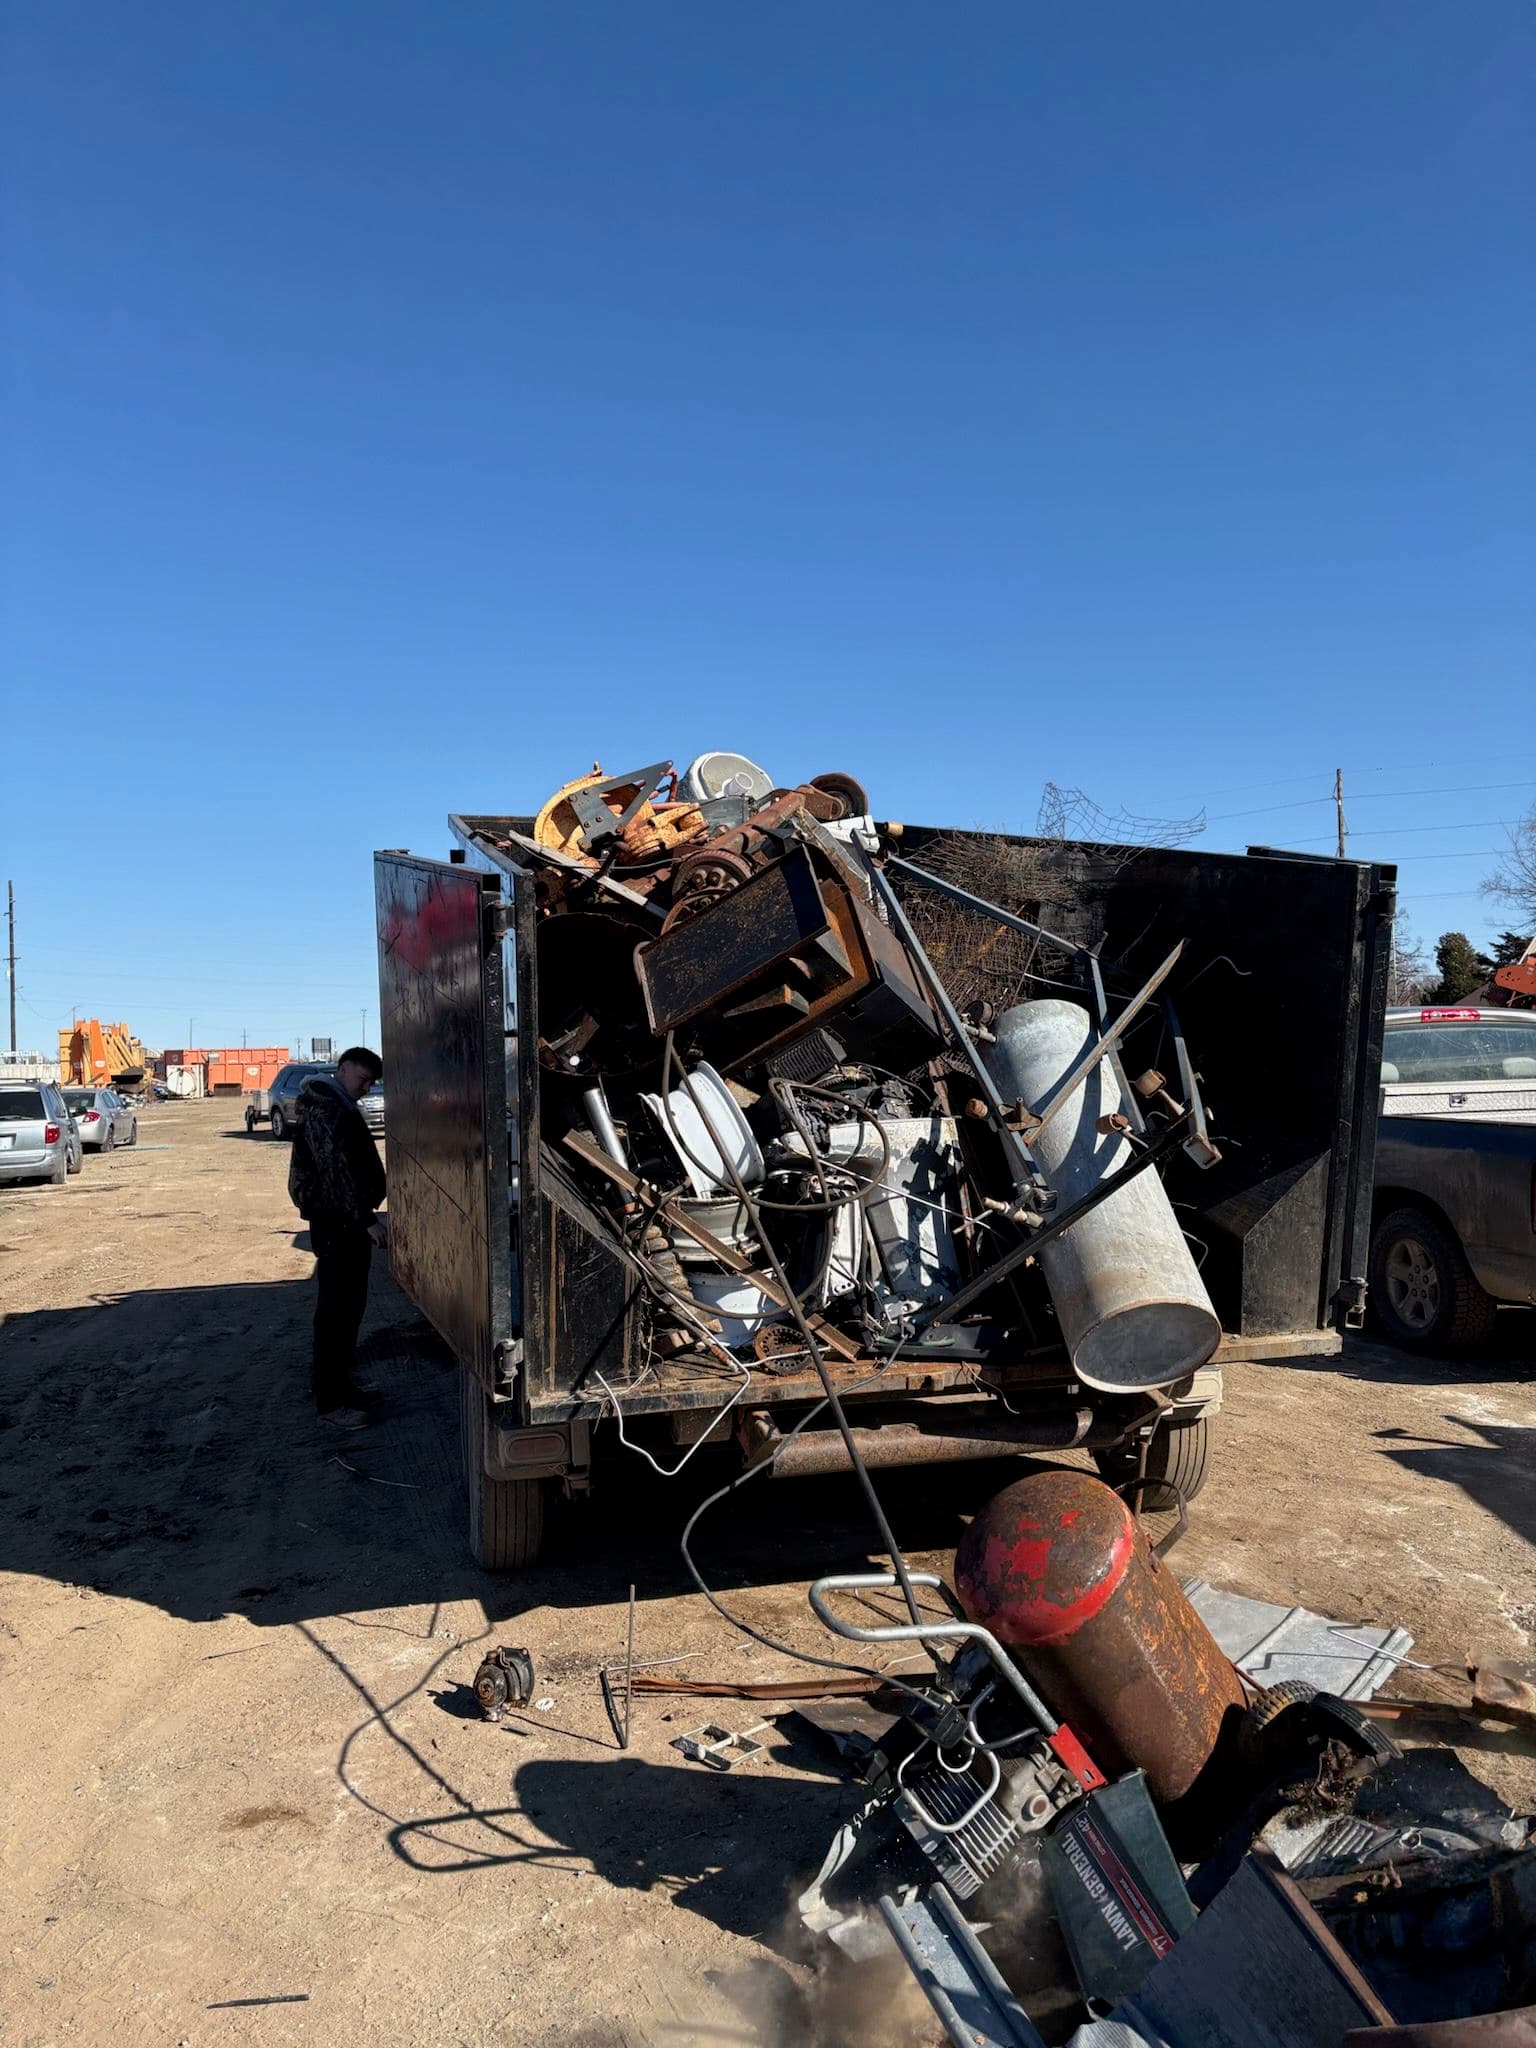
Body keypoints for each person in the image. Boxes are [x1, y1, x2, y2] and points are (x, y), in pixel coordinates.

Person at [288, 1046, 387, 1428]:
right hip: (338, 1223)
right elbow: (336, 1170)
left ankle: (343, 1388)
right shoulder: (325, 1107)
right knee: (335, 1314)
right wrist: (367, 1220)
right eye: (363, 1079)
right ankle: (331, 1404)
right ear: (343, 1068)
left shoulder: (336, 1103)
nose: (367, 1087)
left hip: (345, 1221)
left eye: (371, 1082)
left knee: (349, 1311)